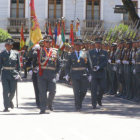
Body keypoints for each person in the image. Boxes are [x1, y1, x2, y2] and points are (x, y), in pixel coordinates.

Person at [37, 35, 60, 114]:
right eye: (46, 42)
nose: (48, 43)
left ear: (51, 42)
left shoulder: (55, 51)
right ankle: (43, 108)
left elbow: (58, 64)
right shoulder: (39, 50)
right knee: (42, 92)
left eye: (49, 42)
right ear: (44, 42)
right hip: (42, 74)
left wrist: (56, 73)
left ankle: (49, 103)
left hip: (51, 74)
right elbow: (33, 58)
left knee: (53, 91)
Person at [65, 39, 89, 111]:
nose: (78, 46)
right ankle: (78, 106)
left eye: (79, 45)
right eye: (76, 45)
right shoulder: (71, 55)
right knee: (76, 92)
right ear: (74, 46)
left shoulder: (85, 54)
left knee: (84, 91)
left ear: (81, 46)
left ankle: (79, 102)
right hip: (74, 75)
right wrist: (67, 74)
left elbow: (89, 65)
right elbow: (67, 66)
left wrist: (90, 74)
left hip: (83, 75)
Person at [0, 38, 21, 112]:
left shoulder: (16, 53)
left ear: (12, 46)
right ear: (5, 45)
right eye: (7, 45)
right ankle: (6, 106)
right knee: (5, 91)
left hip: (13, 73)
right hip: (5, 73)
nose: (9, 46)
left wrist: (19, 73)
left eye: (10, 45)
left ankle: (9, 101)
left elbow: (18, 65)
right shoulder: (2, 54)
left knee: (12, 91)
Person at [87, 38, 108, 109]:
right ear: (95, 44)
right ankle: (94, 103)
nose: (98, 44)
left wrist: (99, 66)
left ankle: (99, 99)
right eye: (97, 43)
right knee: (93, 89)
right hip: (94, 73)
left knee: (103, 88)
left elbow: (105, 62)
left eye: (99, 43)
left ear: (101, 44)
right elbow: (89, 63)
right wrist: (90, 71)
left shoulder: (105, 52)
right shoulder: (90, 52)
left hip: (101, 73)